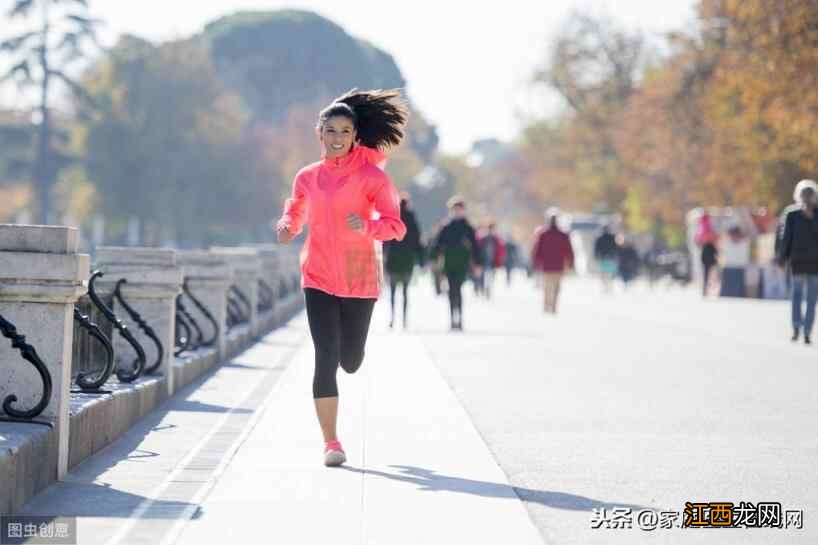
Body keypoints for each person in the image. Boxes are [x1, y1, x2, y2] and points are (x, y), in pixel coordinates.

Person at [275, 88, 408, 466]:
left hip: (358, 277)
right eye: (331, 131)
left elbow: (396, 227)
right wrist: (287, 227)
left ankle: (351, 361)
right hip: (316, 276)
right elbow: (296, 213)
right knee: (325, 356)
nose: (337, 138)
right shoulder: (307, 177)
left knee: (350, 360)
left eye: (345, 132)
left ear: (355, 136)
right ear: (320, 133)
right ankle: (331, 442)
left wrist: (367, 225)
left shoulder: (372, 178)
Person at [777, 179, 818, 345]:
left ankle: (796, 327)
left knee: (796, 295)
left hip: (797, 261)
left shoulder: (792, 214)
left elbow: (786, 239)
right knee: (811, 298)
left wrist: (782, 259)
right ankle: (807, 331)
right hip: (815, 262)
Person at [433, 196, 483, 330]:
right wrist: (435, 259)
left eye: (460, 209)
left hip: (462, 263)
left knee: (458, 289)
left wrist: (478, 263)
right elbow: (438, 245)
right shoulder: (446, 226)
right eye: (455, 209)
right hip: (449, 262)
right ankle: (452, 319)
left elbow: (476, 247)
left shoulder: (468, 227)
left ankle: (459, 318)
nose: (457, 212)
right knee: (451, 290)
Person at [383, 193, 424, 329]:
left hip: (393, 258)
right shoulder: (412, 218)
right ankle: (405, 319)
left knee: (393, 290)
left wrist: (383, 254)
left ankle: (392, 318)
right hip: (407, 258)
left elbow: (385, 238)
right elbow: (418, 240)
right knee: (405, 290)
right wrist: (421, 259)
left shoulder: (392, 218)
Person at [531, 208, 574, 313]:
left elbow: (537, 250)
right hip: (558, 265)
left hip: (547, 265)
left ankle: (547, 305)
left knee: (547, 286)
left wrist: (536, 262)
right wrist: (571, 263)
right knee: (556, 287)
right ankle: (553, 305)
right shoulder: (563, 235)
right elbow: (569, 250)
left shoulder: (543, 234)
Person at [476, 222, 505, 299]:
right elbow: (478, 249)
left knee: (491, 276)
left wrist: (500, 260)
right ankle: (483, 288)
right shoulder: (483, 238)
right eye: (492, 229)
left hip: (493, 261)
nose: (494, 231)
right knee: (483, 276)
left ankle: (488, 288)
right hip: (484, 260)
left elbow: (501, 251)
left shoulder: (497, 239)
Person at [593, 225, 619, 293]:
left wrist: (596, 257)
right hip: (611, 258)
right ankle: (609, 286)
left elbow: (596, 249)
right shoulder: (612, 238)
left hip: (603, 258)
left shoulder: (599, 238)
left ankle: (605, 286)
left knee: (603, 273)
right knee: (610, 273)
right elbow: (616, 248)